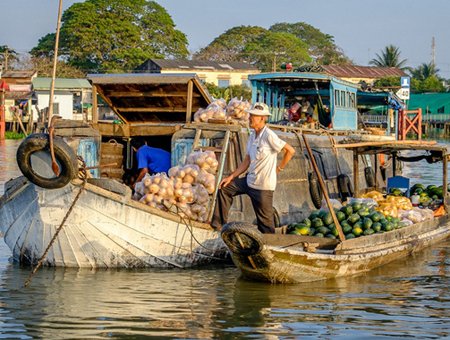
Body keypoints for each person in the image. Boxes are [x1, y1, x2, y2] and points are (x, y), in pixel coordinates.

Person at [211, 102, 295, 234]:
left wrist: (279, 168)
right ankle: (218, 225)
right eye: (250, 115)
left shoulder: (269, 135)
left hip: (263, 187)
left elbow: (290, 151)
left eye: (253, 116)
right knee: (225, 188)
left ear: (262, 119)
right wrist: (231, 177)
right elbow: (247, 160)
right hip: (249, 181)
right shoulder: (252, 136)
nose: (250, 118)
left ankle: (270, 247)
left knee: (266, 226)